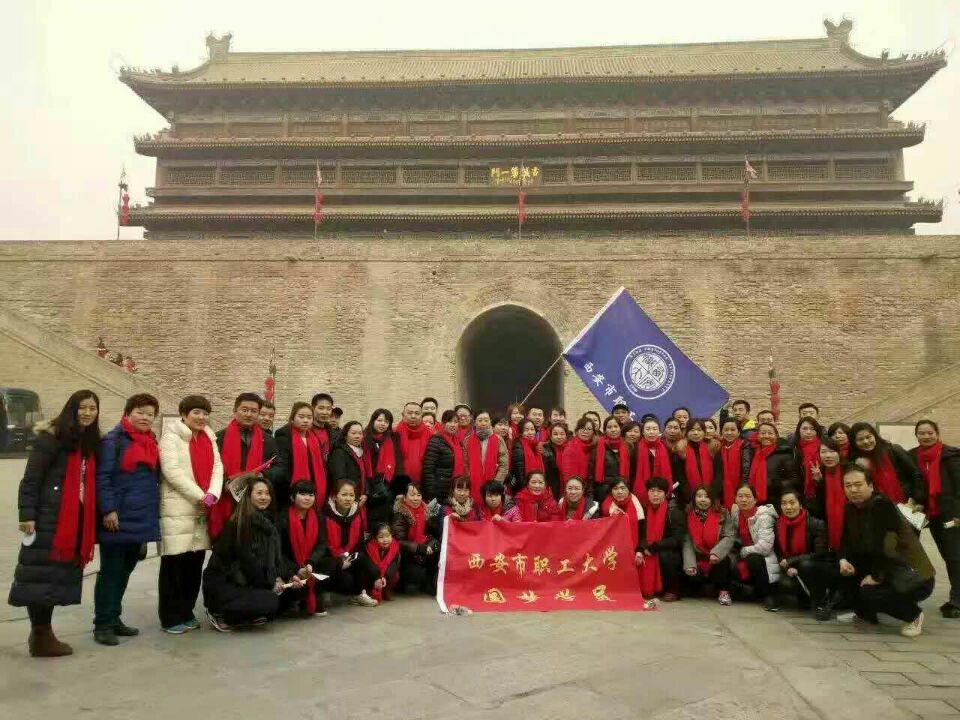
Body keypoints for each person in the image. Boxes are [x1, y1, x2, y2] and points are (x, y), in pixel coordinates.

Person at [9, 390, 101, 657]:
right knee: (40, 577)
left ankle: (41, 634)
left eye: (92, 408)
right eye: (82, 407)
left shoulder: (87, 442)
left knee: (51, 577)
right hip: (49, 518)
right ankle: (41, 635)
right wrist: (27, 514)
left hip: (72, 520)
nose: (87, 413)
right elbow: (31, 479)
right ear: (71, 409)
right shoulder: (51, 438)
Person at [93, 393, 161, 647]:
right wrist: (108, 509)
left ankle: (114, 618)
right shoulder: (113, 440)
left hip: (140, 516)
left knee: (124, 572)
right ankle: (102, 624)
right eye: (140, 412)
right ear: (128, 413)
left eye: (150, 414)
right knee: (111, 572)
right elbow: (102, 477)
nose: (145, 417)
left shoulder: (150, 440)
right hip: (118, 517)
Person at [839, 464, 935, 637]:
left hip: (913, 576)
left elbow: (882, 546)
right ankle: (865, 614)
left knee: (869, 592)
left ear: (870, 486)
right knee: (845, 570)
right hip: (885, 567)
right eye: (848, 485)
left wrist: (876, 577)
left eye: (858, 484)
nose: (853, 490)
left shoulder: (881, 505)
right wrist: (843, 559)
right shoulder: (850, 508)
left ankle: (913, 615)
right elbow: (846, 540)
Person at [158, 394, 224, 634]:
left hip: (203, 508)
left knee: (194, 565)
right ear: (184, 414)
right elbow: (172, 472)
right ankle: (170, 617)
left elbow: (217, 467)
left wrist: (213, 493)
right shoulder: (171, 437)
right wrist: (200, 495)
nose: (201, 417)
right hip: (179, 508)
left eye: (205, 413)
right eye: (196, 412)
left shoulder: (209, 437)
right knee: (174, 565)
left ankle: (186, 611)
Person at [202, 474, 294, 631]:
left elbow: (276, 559)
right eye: (259, 493)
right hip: (228, 582)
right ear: (248, 496)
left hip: (249, 581)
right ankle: (220, 613)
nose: (264, 497)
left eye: (267, 493)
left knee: (294, 591)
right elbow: (248, 563)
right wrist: (271, 584)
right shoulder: (240, 523)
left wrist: (292, 574)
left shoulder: (269, 522)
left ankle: (248, 613)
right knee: (271, 601)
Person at [910, 420, 960, 618]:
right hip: (929, 514)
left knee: (954, 556)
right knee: (947, 555)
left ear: (937, 433)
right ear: (916, 435)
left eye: (930, 433)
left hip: (950, 515)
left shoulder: (950, 455)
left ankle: (957, 601)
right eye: (921, 433)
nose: (926, 436)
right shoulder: (912, 456)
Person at [214, 393, 279, 538]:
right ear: (235, 410)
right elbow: (211, 469)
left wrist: (262, 476)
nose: (249, 414)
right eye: (244, 410)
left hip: (256, 503)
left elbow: (279, 468)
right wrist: (225, 484)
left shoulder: (268, 441)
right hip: (226, 499)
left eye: (254, 411)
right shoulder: (218, 438)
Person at [773, 489, 835, 620]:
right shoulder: (778, 525)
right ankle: (805, 598)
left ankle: (820, 603)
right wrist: (787, 567)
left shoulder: (816, 523)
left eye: (792, 503)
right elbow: (778, 552)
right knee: (781, 581)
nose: (788, 507)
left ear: (800, 504)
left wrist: (792, 561)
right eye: (784, 503)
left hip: (816, 566)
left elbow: (819, 553)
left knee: (806, 565)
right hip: (792, 568)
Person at [277, 481, 333, 617]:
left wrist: (310, 562)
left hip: (309, 565)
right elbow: (279, 552)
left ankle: (316, 595)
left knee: (331, 563)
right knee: (298, 589)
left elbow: (321, 544)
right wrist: (296, 569)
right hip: (289, 568)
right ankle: (293, 602)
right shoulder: (282, 518)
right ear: (292, 497)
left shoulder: (318, 517)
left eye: (311, 495)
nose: (307, 498)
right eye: (302, 494)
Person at [322, 479, 376, 606]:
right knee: (340, 575)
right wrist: (340, 560)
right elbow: (322, 544)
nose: (348, 499)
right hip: (330, 557)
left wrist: (349, 557)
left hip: (350, 556)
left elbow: (360, 543)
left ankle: (360, 594)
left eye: (351, 495)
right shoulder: (325, 514)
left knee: (370, 568)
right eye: (344, 494)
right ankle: (324, 592)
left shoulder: (357, 513)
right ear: (334, 496)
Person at [729, 484, 780, 611]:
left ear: (755, 500)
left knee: (754, 559)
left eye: (748, 496)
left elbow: (765, 547)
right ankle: (752, 591)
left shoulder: (764, 516)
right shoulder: (736, 513)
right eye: (740, 496)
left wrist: (744, 551)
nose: (744, 500)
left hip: (763, 557)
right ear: (735, 499)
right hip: (745, 555)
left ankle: (768, 596)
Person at [848, 422, 922, 507]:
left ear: (875, 436)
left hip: (907, 504)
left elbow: (915, 474)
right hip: (876, 507)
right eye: (860, 439)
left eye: (868, 437)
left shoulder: (893, 450)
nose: (866, 441)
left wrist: (915, 499)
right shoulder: (856, 462)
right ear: (854, 443)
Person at [683, 485, 735, 606]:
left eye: (706, 496)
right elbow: (687, 541)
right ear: (694, 498)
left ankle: (723, 592)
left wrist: (716, 553)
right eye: (699, 496)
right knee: (688, 574)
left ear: (712, 499)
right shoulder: (688, 514)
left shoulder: (722, 513)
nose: (702, 499)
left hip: (717, 556)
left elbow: (729, 536)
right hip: (698, 555)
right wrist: (690, 564)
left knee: (723, 560)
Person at [638, 477, 686, 601]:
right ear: (647, 492)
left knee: (666, 555)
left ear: (665, 494)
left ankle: (672, 590)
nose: (655, 494)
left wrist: (655, 546)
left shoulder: (673, 511)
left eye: (659, 491)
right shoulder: (643, 510)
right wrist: (641, 549)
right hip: (650, 547)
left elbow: (677, 539)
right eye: (652, 491)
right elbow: (641, 534)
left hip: (668, 549)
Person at [273, 402, 327, 506]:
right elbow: (283, 466)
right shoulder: (283, 436)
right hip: (290, 489)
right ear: (292, 418)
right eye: (301, 417)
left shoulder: (314, 438)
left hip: (313, 485)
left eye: (309, 417)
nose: (305, 420)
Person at [392, 483, 439, 594]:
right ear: (404, 497)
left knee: (437, 547)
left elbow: (429, 532)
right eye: (412, 495)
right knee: (416, 574)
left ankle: (428, 584)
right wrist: (419, 548)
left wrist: (433, 543)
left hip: (419, 548)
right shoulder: (399, 514)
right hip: (405, 555)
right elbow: (398, 542)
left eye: (418, 495)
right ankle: (402, 583)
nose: (416, 498)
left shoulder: (425, 511)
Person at [746, 422, 798, 508]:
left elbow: (795, 479)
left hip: (776, 501)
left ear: (776, 436)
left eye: (770, 433)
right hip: (754, 501)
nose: (766, 436)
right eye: (763, 433)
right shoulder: (752, 453)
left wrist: (778, 484)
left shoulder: (784, 454)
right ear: (757, 436)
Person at [600, 478, 645, 575]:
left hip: (632, 549)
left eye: (623, 488)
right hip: (611, 550)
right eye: (615, 488)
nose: (619, 492)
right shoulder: (605, 507)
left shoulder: (637, 505)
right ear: (611, 490)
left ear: (628, 489)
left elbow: (642, 533)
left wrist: (640, 550)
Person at [363, 408, 404, 513]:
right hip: (367, 483)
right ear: (373, 421)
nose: (382, 424)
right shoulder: (363, 437)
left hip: (387, 483)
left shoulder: (393, 437)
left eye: (386, 422)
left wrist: (400, 489)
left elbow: (398, 462)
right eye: (379, 420)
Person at [463, 410, 509, 504]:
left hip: (493, 483)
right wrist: (469, 478)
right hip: (473, 483)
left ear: (490, 421)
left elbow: (504, 465)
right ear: (474, 422)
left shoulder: (498, 439)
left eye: (486, 420)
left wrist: (496, 482)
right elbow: (465, 463)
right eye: (480, 420)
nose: (483, 423)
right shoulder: (467, 440)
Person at [423, 410, 467, 503]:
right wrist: (431, 493)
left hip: (455, 488)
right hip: (439, 489)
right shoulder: (436, 440)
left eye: (455, 422)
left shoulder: (459, 442)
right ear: (443, 423)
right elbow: (428, 469)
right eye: (449, 421)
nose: (453, 425)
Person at [326, 421, 373, 509]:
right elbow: (339, 478)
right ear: (345, 435)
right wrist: (349, 496)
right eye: (353, 433)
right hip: (346, 499)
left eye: (360, 433)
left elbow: (365, 476)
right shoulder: (339, 453)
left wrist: (366, 494)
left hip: (361, 498)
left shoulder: (362, 453)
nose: (357, 436)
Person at [811, 439, 846, 551]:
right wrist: (819, 482)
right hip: (829, 523)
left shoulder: (848, 469)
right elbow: (821, 505)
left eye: (832, 451)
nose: (828, 455)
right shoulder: (820, 472)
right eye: (823, 452)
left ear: (839, 452)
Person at [677, 419, 718, 504]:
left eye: (699, 430)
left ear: (704, 432)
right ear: (687, 432)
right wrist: (691, 496)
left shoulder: (713, 448)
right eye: (692, 430)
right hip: (689, 497)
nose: (696, 433)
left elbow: (718, 474)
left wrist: (712, 493)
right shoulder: (681, 450)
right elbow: (681, 478)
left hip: (711, 495)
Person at [358, 523, 401, 603]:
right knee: (365, 572)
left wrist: (385, 577)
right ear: (375, 538)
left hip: (386, 576)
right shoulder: (369, 547)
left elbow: (394, 564)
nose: (385, 540)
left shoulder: (395, 547)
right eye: (381, 537)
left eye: (388, 536)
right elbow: (369, 565)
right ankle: (367, 591)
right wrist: (377, 577)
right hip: (373, 575)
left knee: (395, 574)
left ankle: (386, 590)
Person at [716, 418, 752, 510]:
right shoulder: (719, 446)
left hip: (740, 487)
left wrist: (743, 487)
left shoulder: (745, 445)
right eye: (726, 430)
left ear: (739, 432)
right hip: (723, 489)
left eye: (733, 430)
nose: (729, 433)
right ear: (722, 432)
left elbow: (746, 468)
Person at [592, 416, 630, 502]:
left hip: (622, 490)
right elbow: (592, 472)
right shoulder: (597, 446)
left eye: (616, 426)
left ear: (620, 428)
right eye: (609, 427)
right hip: (603, 491)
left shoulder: (627, 446)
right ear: (605, 430)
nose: (613, 430)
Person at [396, 402, 432, 488]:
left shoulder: (430, 435)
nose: (413, 416)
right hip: (399, 483)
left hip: (424, 483)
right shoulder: (394, 434)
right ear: (403, 415)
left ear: (421, 416)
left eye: (417, 413)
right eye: (409, 413)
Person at [634, 417, 672, 498]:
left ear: (659, 431)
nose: (651, 432)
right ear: (643, 432)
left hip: (661, 489)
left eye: (654, 429)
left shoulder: (666, 447)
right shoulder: (636, 448)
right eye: (648, 429)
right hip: (641, 491)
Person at [792, 417, 825, 509]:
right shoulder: (794, 449)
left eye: (812, 429)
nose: (808, 432)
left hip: (822, 492)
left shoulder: (824, 448)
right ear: (798, 431)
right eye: (805, 429)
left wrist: (820, 479)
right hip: (801, 495)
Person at [511, 418, 545, 493]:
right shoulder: (518, 446)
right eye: (526, 430)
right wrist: (526, 491)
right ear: (521, 432)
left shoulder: (536, 446)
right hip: (524, 489)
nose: (530, 432)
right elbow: (519, 474)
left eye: (532, 429)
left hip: (537, 486)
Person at [540, 421, 571, 500]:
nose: (559, 437)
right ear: (550, 436)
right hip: (551, 489)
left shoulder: (571, 449)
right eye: (555, 434)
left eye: (562, 434)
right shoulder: (545, 449)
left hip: (569, 487)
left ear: (566, 435)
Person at [563, 417, 595, 486]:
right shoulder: (570, 447)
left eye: (589, 429)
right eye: (582, 428)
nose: (585, 431)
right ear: (577, 431)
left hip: (591, 486)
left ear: (593, 432)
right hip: (575, 486)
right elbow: (567, 473)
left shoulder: (595, 446)